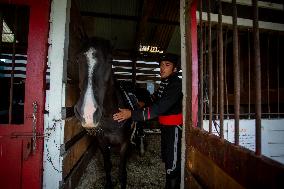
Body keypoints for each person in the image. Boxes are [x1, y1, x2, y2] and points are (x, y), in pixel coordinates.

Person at [113, 53, 183, 189]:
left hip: (174, 128)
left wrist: (131, 114)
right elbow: (155, 98)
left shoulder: (175, 85)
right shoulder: (166, 83)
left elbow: (158, 109)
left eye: (167, 65)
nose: (162, 68)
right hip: (166, 128)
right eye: (161, 65)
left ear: (175, 69)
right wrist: (141, 103)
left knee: (172, 165)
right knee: (167, 160)